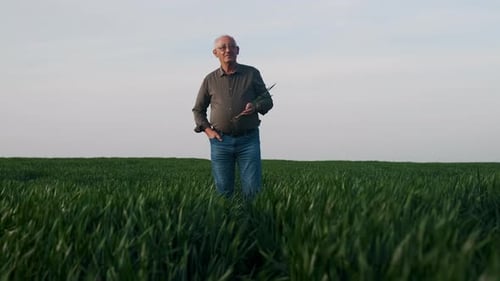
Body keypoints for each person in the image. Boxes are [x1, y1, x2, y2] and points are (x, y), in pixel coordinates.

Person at [192, 35, 274, 199]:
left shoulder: (252, 73)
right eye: (223, 47)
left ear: (237, 50)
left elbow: (267, 101)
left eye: (231, 47)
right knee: (223, 192)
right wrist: (209, 132)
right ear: (216, 53)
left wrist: (255, 106)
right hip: (220, 142)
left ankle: (253, 222)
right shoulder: (209, 80)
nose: (227, 50)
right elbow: (198, 110)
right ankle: (227, 222)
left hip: (248, 141)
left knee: (253, 190)